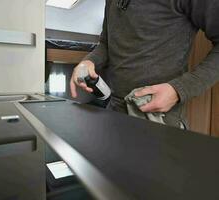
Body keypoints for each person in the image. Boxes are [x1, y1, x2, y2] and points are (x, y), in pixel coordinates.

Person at [70, 0, 219, 128]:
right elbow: (105, 43)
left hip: (159, 119)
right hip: (114, 114)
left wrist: (179, 90)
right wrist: (89, 61)